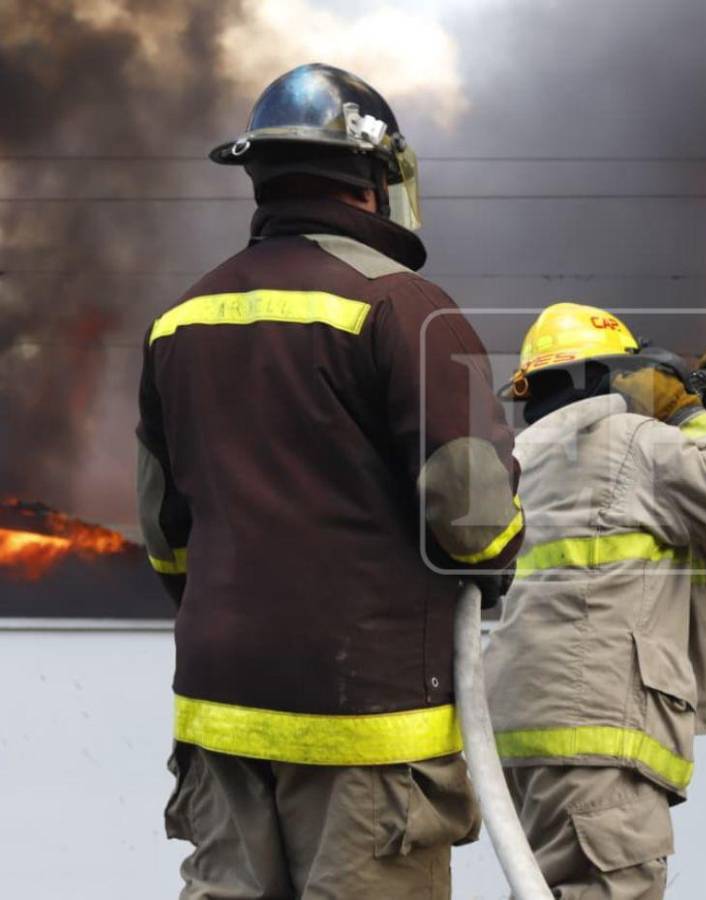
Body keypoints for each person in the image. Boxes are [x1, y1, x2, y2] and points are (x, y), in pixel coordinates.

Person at [135, 63, 524, 899]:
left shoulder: (181, 320)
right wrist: (500, 553)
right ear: (374, 182)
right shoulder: (403, 306)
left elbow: (164, 533)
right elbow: (472, 513)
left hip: (220, 709)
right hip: (366, 725)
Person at [483, 302, 706, 898]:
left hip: (526, 730)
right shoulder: (630, 440)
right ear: (614, 375)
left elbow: (699, 524)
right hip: (598, 735)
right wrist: (689, 411)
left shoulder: (523, 459)